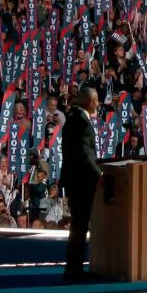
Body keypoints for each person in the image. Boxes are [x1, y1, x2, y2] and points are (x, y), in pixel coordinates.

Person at [60, 87, 103, 280]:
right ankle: (74, 268)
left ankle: (73, 266)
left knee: (78, 224)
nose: (99, 104)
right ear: (89, 102)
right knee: (80, 225)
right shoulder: (81, 122)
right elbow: (85, 155)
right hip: (81, 181)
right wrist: (100, 175)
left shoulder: (74, 119)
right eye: (96, 101)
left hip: (75, 179)